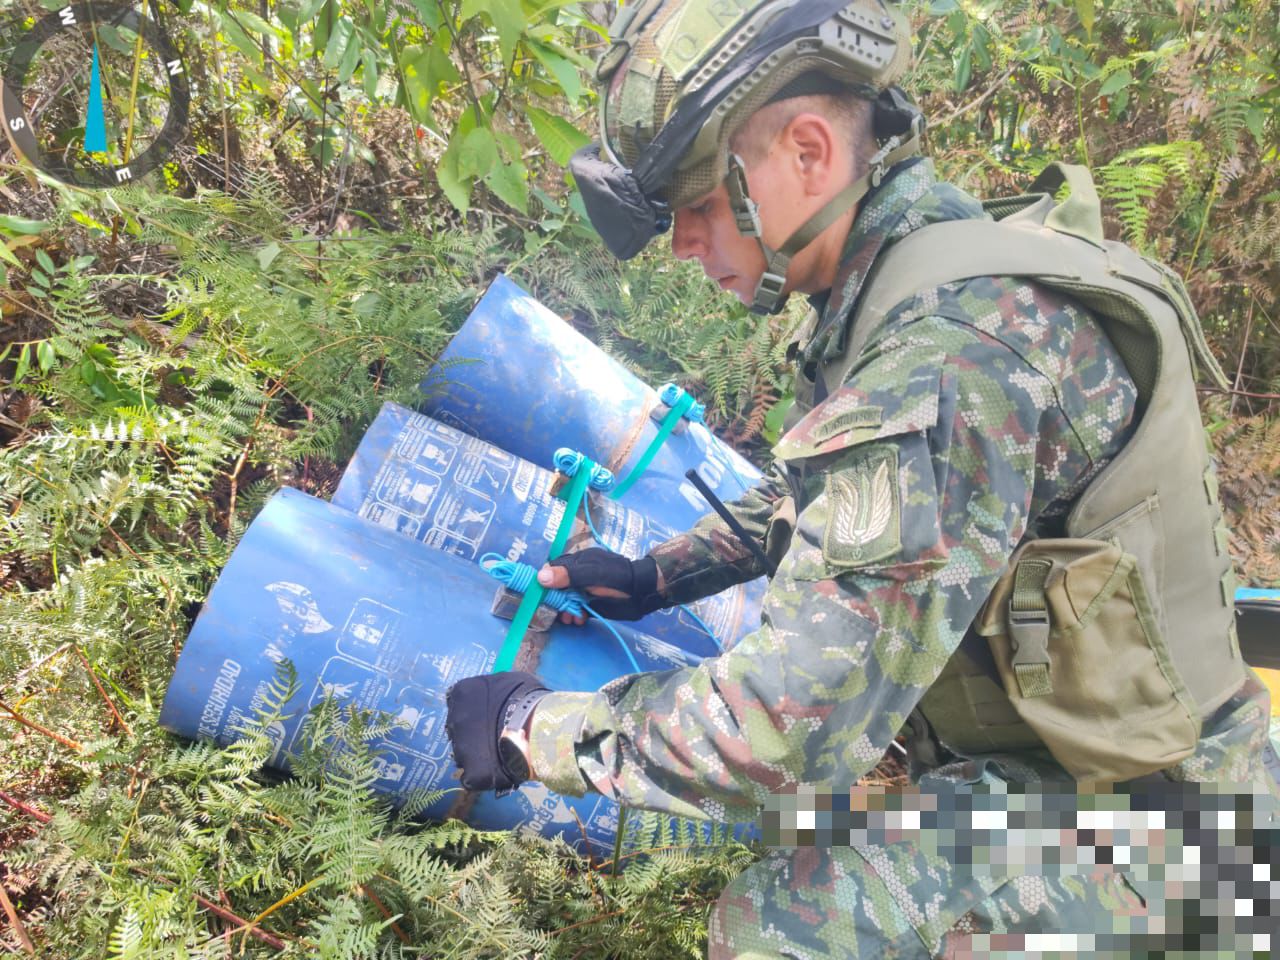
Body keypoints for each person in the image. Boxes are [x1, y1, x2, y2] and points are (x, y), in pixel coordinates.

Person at [445, 2, 1275, 955]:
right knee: (813, 838)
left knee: (781, 927)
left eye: (699, 206)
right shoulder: (913, 273)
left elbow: (779, 732)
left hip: (1194, 841)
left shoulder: (955, 357)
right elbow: (844, 502)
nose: (682, 244)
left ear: (806, 153)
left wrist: (533, 726)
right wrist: (660, 575)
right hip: (1075, 764)